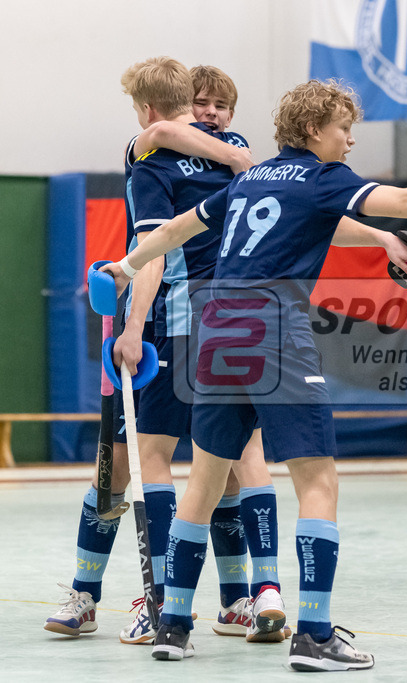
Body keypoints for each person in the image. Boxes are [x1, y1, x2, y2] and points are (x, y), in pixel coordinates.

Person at [102, 78, 407, 671]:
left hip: (215, 331)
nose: (349, 140)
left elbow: (178, 228)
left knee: (205, 482)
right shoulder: (324, 179)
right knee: (317, 481)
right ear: (316, 130)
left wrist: (126, 265)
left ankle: (174, 626)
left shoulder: (250, 177)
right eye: (345, 129)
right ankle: (315, 636)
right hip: (272, 330)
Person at [43, 56, 253, 640]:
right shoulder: (233, 149)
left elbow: (155, 252)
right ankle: (236, 599)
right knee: (223, 467)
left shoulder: (150, 161)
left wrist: (132, 331)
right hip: (240, 327)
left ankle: (148, 597)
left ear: (143, 109)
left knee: (134, 464)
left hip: (171, 324)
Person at [185, 64, 291, 643]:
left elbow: (235, 153)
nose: (212, 113)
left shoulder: (234, 150)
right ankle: (233, 601)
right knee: (213, 467)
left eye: (221, 104)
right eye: (200, 103)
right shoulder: (163, 152)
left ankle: (261, 589)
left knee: (243, 452)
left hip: (227, 312)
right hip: (175, 318)